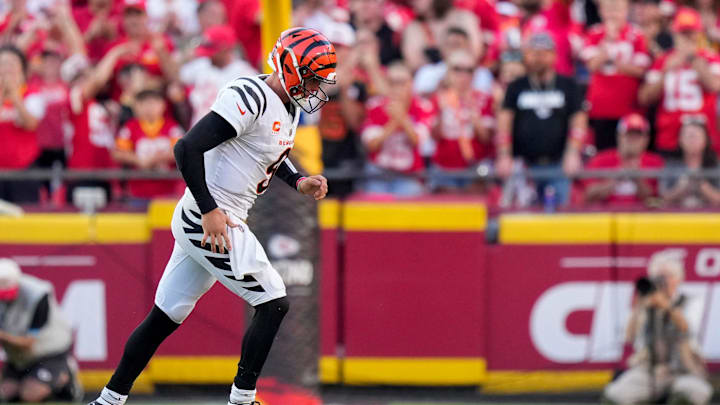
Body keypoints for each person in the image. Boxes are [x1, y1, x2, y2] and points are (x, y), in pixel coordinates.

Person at [87, 27, 333, 405]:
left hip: (219, 215)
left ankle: (108, 401)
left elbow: (267, 153)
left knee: (163, 318)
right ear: (289, 66)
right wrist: (209, 210)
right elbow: (186, 148)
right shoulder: (251, 95)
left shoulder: (287, 106)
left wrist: (298, 180)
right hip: (213, 217)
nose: (316, 87)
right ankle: (242, 399)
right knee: (273, 302)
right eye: (312, 77)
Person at [603, 254, 713, 404]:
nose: (663, 281)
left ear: (679, 278)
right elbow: (629, 337)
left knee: (688, 395)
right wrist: (639, 307)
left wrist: (666, 305)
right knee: (613, 396)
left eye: (667, 276)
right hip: (649, 369)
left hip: (684, 368)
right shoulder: (646, 304)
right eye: (658, 277)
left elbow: (686, 327)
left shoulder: (691, 302)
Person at [496, 32, 587, 205]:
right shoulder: (517, 86)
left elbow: (579, 121)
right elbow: (504, 122)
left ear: (553, 55)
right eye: (533, 53)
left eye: (543, 53)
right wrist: (504, 155)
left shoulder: (568, 85)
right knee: (520, 214)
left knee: (559, 216)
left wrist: (573, 152)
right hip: (523, 164)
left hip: (558, 163)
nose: (538, 58)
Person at [639, 7, 720, 156]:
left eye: (691, 32)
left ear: (698, 33)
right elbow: (645, 98)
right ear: (674, 33)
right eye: (683, 33)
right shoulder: (662, 61)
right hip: (669, 139)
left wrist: (694, 60)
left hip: (704, 141)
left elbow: (715, 85)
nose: (687, 37)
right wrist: (665, 71)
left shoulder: (711, 58)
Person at [0, 258, 81, 403]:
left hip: (48, 352)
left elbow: (29, 342)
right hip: (18, 356)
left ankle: (65, 378)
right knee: (7, 394)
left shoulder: (38, 296)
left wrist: (3, 336)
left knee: (30, 395)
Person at [582, 0, 650, 151]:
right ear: (601, 11)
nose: (614, 14)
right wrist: (607, 41)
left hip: (629, 106)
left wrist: (615, 63)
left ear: (626, 10)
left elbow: (641, 70)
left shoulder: (637, 35)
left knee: (630, 152)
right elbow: (592, 66)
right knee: (604, 153)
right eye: (609, 9)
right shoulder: (594, 34)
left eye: (618, 9)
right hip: (601, 106)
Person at [429, 50, 494, 192]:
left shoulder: (484, 98)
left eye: (469, 70)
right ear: (448, 72)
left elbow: (486, 138)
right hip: (444, 167)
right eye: (457, 69)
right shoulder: (437, 98)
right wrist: (441, 112)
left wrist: (474, 113)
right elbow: (433, 137)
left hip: (476, 167)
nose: (463, 75)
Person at [361, 62, 430, 196]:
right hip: (378, 171)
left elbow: (417, 141)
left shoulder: (422, 107)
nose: (397, 88)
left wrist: (403, 119)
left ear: (411, 84)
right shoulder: (374, 106)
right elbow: (372, 145)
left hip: (409, 174)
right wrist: (394, 123)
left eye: (401, 82)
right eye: (392, 82)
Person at [178, 24, 257, 126]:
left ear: (224, 48)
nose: (208, 55)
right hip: (198, 132)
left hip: (227, 134)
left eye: (211, 49)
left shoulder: (246, 74)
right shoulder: (202, 64)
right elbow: (177, 77)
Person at [112, 88, 183, 200]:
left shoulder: (172, 127)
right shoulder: (130, 127)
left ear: (162, 105)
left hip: (167, 191)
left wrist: (156, 159)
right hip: (138, 190)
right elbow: (117, 153)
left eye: (153, 103)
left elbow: (180, 151)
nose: (149, 108)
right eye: (144, 104)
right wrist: (138, 160)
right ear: (136, 106)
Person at [582, 113, 664, 206]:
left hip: (642, 217)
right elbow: (587, 196)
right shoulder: (601, 160)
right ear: (619, 136)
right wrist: (615, 179)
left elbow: (658, 202)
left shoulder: (655, 162)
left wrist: (637, 178)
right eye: (629, 135)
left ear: (646, 139)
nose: (633, 140)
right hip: (606, 216)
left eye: (637, 136)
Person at [0, 45, 46, 203]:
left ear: (22, 69)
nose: (7, 69)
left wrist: (14, 96)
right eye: (3, 64)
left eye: (12, 64)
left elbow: (31, 123)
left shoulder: (32, 94)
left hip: (24, 171)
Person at [661, 117, 720, 207]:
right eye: (688, 136)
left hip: (709, 218)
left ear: (706, 140)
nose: (692, 140)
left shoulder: (715, 166)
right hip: (677, 217)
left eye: (696, 136)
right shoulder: (671, 165)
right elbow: (662, 198)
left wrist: (702, 185)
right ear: (680, 140)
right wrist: (681, 187)